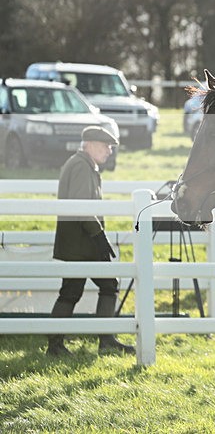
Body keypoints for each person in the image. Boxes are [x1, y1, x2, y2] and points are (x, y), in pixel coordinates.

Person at [47, 126, 135, 356]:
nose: (109, 152)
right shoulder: (81, 166)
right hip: (83, 244)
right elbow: (82, 208)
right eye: (106, 147)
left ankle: (59, 344)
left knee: (75, 290)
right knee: (99, 287)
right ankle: (101, 340)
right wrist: (99, 236)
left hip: (80, 243)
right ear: (91, 145)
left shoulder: (83, 164)